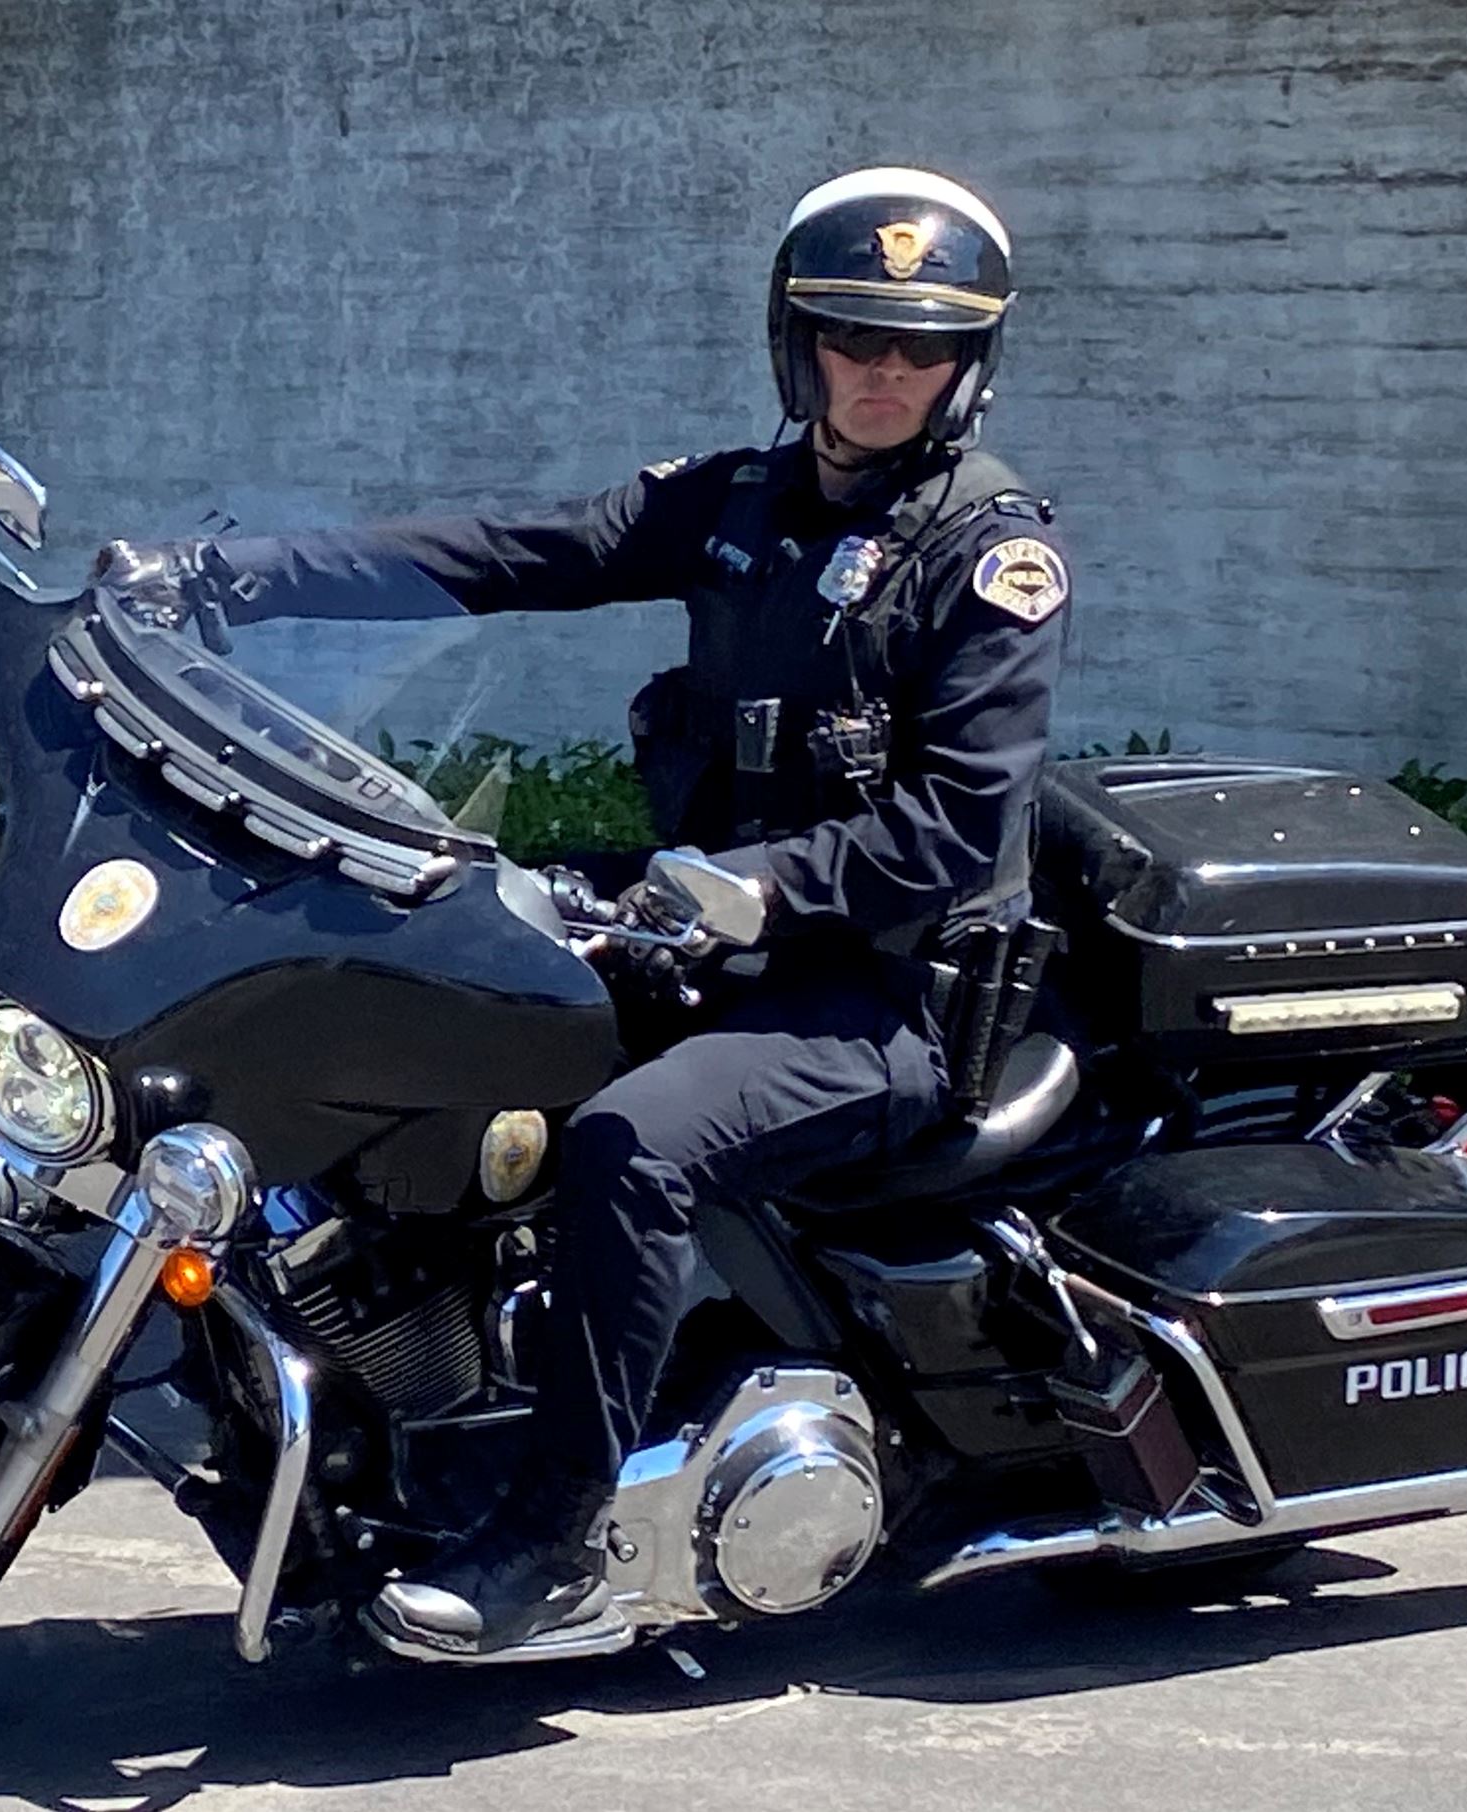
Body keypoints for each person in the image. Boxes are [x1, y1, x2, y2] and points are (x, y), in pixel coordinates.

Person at [94, 167, 1070, 1656]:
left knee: (632, 1141)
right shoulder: (739, 504)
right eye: (852, 336)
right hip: (711, 931)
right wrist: (224, 579)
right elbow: (500, 555)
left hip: (881, 994)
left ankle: (548, 1534)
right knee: (412, 985)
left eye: (920, 348)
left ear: (967, 365)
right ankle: (365, 1403)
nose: (883, 371)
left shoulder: (988, 558)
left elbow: (956, 831)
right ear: (794, 341)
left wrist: (758, 889)